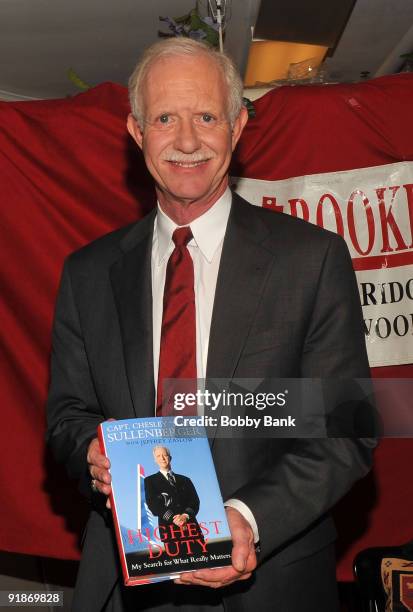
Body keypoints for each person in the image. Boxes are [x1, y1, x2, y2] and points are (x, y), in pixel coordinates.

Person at [47, 37, 376, 611]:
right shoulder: (87, 273)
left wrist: (248, 518)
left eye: (206, 116)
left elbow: (345, 429)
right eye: (165, 118)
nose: (188, 141)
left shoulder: (312, 259)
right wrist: (90, 451)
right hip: (124, 586)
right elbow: (67, 416)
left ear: (239, 125)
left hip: (270, 583)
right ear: (136, 131)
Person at [144, 446, 203, 544]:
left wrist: (185, 516)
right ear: (155, 460)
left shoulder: (185, 480)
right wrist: (174, 519)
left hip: (191, 529)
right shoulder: (150, 481)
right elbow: (153, 504)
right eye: (158, 456)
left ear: (170, 457)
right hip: (169, 532)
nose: (162, 458)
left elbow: (195, 501)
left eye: (165, 455)